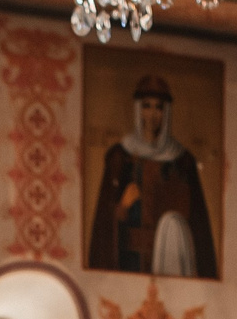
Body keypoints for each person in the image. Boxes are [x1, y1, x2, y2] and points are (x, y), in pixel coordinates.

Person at [88, 74, 218, 278]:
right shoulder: (120, 156)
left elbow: (198, 223)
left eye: (159, 107)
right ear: (138, 109)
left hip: (171, 259)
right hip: (129, 262)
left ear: (167, 113)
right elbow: (103, 223)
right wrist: (121, 207)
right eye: (146, 106)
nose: (152, 114)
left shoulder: (182, 161)